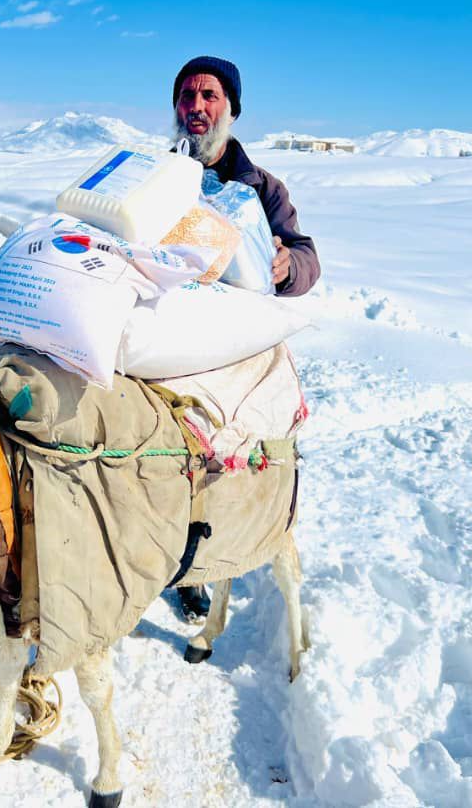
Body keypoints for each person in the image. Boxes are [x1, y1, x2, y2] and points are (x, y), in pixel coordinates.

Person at [170, 56, 322, 621]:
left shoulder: (261, 188)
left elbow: (306, 257)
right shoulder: (156, 174)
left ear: (231, 108)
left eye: (209, 95)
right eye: (186, 96)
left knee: (228, 460)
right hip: (169, 334)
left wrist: (285, 267)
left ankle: (205, 563)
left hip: (235, 344)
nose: (197, 107)